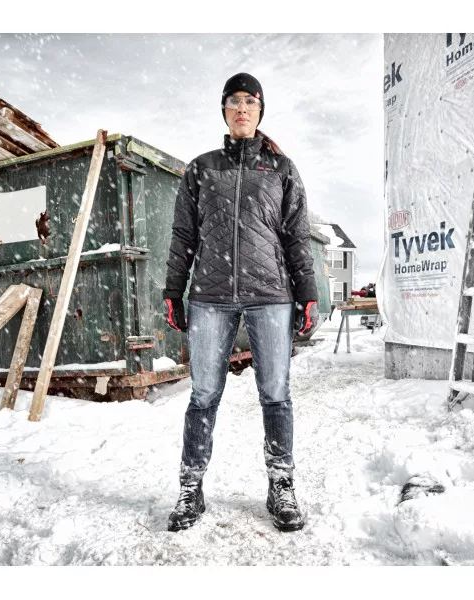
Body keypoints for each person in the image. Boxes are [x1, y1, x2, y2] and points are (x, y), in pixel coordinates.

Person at [162, 73, 319, 532]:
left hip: (271, 296)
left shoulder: (281, 169)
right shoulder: (202, 169)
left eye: (250, 101)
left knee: (276, 394)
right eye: (234, 101)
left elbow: (296, 237)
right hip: (210, 298)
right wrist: (173, 290)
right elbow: (183, 236)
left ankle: (281, 485)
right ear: (224, 111)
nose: (242, 108)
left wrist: (307, 292)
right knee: (203, 395)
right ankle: (190, 488)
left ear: (260, 110)